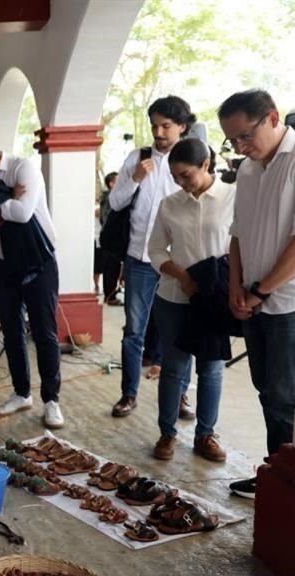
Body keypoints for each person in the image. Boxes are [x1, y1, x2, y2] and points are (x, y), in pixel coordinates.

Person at [219, 89, 295, 499]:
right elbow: (238, 235)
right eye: (233, 141)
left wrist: (260, 291)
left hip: (290, 302)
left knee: (285, 396)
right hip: (253, 298)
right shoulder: (248, 170)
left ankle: (294, 488)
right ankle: (276, 473)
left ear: (273, 118)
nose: (241, 147)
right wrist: (236, 288)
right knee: (265, 389)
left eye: (245, 136)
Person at [0, 129, 65, 428]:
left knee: (45, 333)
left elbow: (23, 213)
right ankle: (21, 392)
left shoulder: (23, 167)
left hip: (38, 261)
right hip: (2, 264)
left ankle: (52, 400)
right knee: (12, 331)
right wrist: (2, 197)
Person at [109, 96, 196, 420]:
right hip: (140, 259)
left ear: (182, 127)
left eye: (166, 126)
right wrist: (134, 179)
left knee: (180, 331)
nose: (158, 132)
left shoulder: (195, 157)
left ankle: (182, 395)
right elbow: (116, 204)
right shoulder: (138, 158)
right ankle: (128, 394)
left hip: (178, 262)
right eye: (155, 125)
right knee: (134, 331)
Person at [147, 139, 234, 463]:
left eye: (187, 175)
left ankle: (205, 435)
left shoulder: (232, 197)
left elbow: (239, 248)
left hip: (214, 299)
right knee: (174, 368)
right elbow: (155, 250)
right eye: (175, 176)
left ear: (206, 165)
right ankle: (167, 433)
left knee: (211, 368)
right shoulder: (170, 204)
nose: (181, 183)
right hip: (174, 298)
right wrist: (183, 277)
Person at [98, 171, 122, 304]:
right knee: (111, 267)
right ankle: (110, 295)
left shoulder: (107, 197)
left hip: (108, 236)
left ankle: (110, 293)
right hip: (111, 237)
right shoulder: (112, 198)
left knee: (110, 266)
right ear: (111, 184)